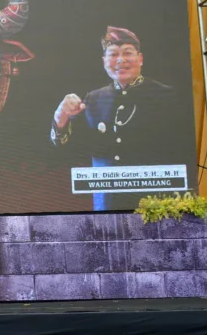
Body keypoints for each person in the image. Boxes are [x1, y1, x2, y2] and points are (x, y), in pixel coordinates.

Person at [49, 26, 181, 211]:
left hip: (155, 203)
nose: (120, 60)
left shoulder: (164, 96)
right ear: (104, 61)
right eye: (113, 54)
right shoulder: (93, 99)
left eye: (127, 53)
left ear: (140, 59)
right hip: (107, 204)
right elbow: (65, 149)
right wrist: (61, 119)